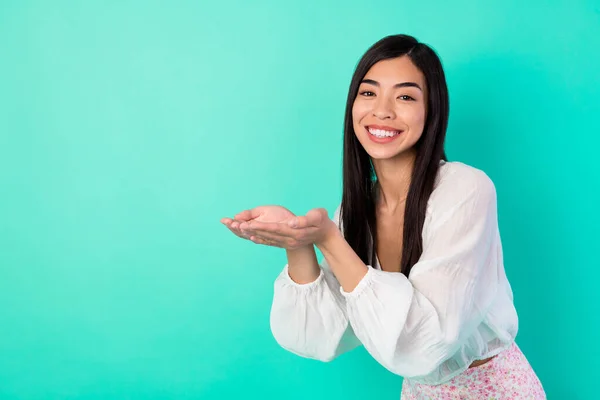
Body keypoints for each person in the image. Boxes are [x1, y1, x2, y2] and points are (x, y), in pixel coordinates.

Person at [221, 34, 546, 399]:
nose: (382, 111)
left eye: (405, 96)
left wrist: (328, 238)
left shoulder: (466, 190)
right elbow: (324, 334)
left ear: (432, 110)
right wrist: (298, 242)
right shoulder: (358, 210)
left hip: (493, 390)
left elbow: (426, 341)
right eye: (369, 93)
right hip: (420, 392)